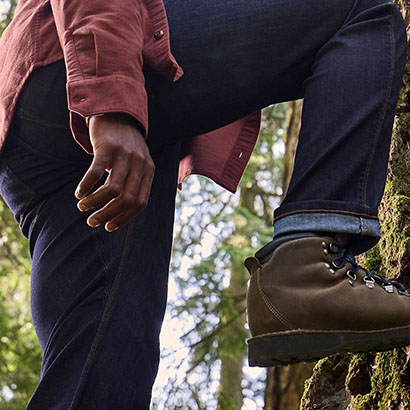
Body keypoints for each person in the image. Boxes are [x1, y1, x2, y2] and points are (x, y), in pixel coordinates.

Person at [0, 0, 407, 408]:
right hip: (78, 58)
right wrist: (111, 102)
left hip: (34, 122)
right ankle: (308, 267)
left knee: (105, 374)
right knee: (359, 11)